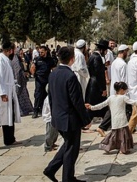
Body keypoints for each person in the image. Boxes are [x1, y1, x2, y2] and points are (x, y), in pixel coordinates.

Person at [43, 47, 91, 182]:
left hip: (58, 118)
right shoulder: (70, 76)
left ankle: (51, 169)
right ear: (72, 59)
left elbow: (51, 98)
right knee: (72, 149)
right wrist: (85, 119)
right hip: (70, 120)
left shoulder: (53, 73)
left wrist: (54, 115)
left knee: (68, 144)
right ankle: (67, 178)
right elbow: (77, 101)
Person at [85, 82, 137, 154]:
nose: (125, 92)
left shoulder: (111, 98)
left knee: (114, 135)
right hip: (122, 120)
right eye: (125, 90)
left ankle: (107, 146)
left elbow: (101, 105)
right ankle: (123, 149)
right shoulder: (123, 97)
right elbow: (134, 103)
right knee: (123, 136)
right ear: (122, 90)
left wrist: (91, 107)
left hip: (114, 120)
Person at [85, 39, 110, 136]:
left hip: (93, 83)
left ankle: (104, 124)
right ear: (103, 50)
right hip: (96, 86)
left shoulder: (93, 56)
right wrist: (103, 89)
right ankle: (87, 124)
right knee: (98, 105)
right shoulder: (97, 58)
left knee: (100, 106)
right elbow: (99, 74)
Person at [30, 45, 56, 118]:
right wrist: (34, 74)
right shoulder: (37, 59)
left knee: (46, 95)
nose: (40, 53)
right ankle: (35, 111)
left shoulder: (50, 60)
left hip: (47, 79)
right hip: (39, 79)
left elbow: (54, 69)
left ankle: (45, 109)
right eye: (40, 52)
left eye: (42, 52)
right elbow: (32, 68)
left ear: (46, 51)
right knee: (38, 95)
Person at [110, 44, 132, 120]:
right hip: (121, 90)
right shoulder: (123, 64)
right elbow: (124, 80)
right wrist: (126, 91)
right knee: (127, 110)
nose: (127, 54)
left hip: (114, 89)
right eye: (127, 52)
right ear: (124, 52)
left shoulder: (114, 62)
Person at [12, 48, 33, 116]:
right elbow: (17, 72)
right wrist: (18, 82)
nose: (22, 54)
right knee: (19, 96)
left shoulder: (19, 59)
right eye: (20, 53)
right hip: (19, 82)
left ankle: (26, 109)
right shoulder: (16, 61)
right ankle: (21, 111)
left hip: (22, 82)